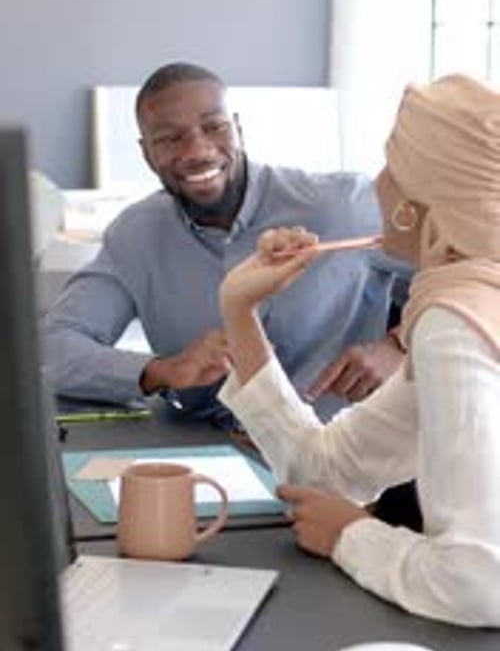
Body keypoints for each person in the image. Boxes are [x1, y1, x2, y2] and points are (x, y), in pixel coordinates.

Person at [218, 74, 500, 627]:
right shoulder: (462, 306)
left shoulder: (455, 321)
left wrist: (351, 535)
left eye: (393, 167)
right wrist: (238, 312)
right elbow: (324, 472)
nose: (380, 182)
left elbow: (479, 581)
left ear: (422, 208)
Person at [43, 62, 410, 426]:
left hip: (341, 459)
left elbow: (462, 276)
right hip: (214, 455)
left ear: (237, 128)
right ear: (147, 154)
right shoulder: (136, 235)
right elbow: (52, 349)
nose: (197, 150)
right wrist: (162, 370)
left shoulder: (341, 208)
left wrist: (399, 348)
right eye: (170, 138)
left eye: (213, 127)